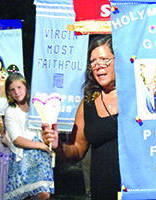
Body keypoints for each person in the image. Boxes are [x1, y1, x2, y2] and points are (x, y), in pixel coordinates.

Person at [41, 34, 120, 200]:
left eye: (104, 60)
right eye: (93, 62)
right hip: (103, 191)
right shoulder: (87, 104)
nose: (98, 66)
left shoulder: (139, 97)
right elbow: (76, 150)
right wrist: (57, 145)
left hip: (137, 189)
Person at [3, 73, 54, 200]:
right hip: (23, 156)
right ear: (8, 93)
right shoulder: (10, 111)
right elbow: (16, 139)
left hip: (41, 156)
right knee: (26, 196)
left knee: (44, 193)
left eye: (19, 87)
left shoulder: (37, 106)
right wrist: (41, 146)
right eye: (12, 90)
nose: (17, 92)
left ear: (26, 87)